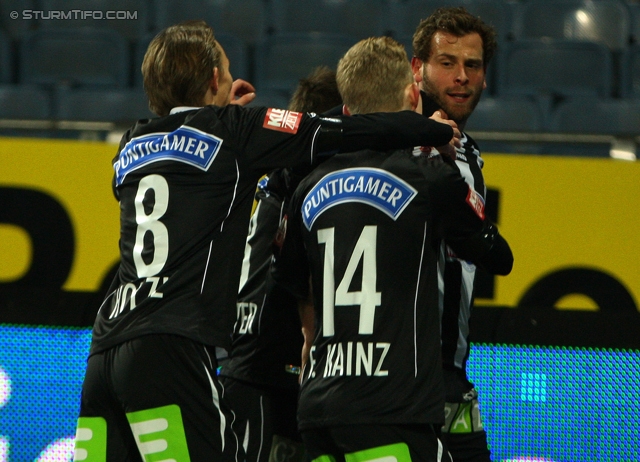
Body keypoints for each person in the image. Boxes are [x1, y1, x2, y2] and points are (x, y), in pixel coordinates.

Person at [72, 21, 461, 461]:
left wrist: (213, 114)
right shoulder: (236, 130)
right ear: (216, 78)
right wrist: (433, 131)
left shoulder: (130, 144)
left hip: (103, 352)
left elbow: (179, 175)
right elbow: (342, 131)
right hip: (170, 344)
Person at [273, 36, 512, 462]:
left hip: (318, 406)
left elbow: (290, 276)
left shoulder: (307, 187)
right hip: (393, 402)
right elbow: (498, 255)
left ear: (346, 111)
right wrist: (444, 163)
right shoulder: (427, 177)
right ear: (410, 95)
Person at [218, 67, 342, 462]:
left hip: (249, 359)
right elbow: (292, 272)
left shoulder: (274, 174)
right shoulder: (309, 181)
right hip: (268, 368)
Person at [411, 7, 499, 461]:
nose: (461, 76)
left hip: (453, 378)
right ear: (418, 69)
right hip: (401, 377)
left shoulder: (471, 154)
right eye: (447, 63)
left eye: (473, 65)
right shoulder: (395, 144)